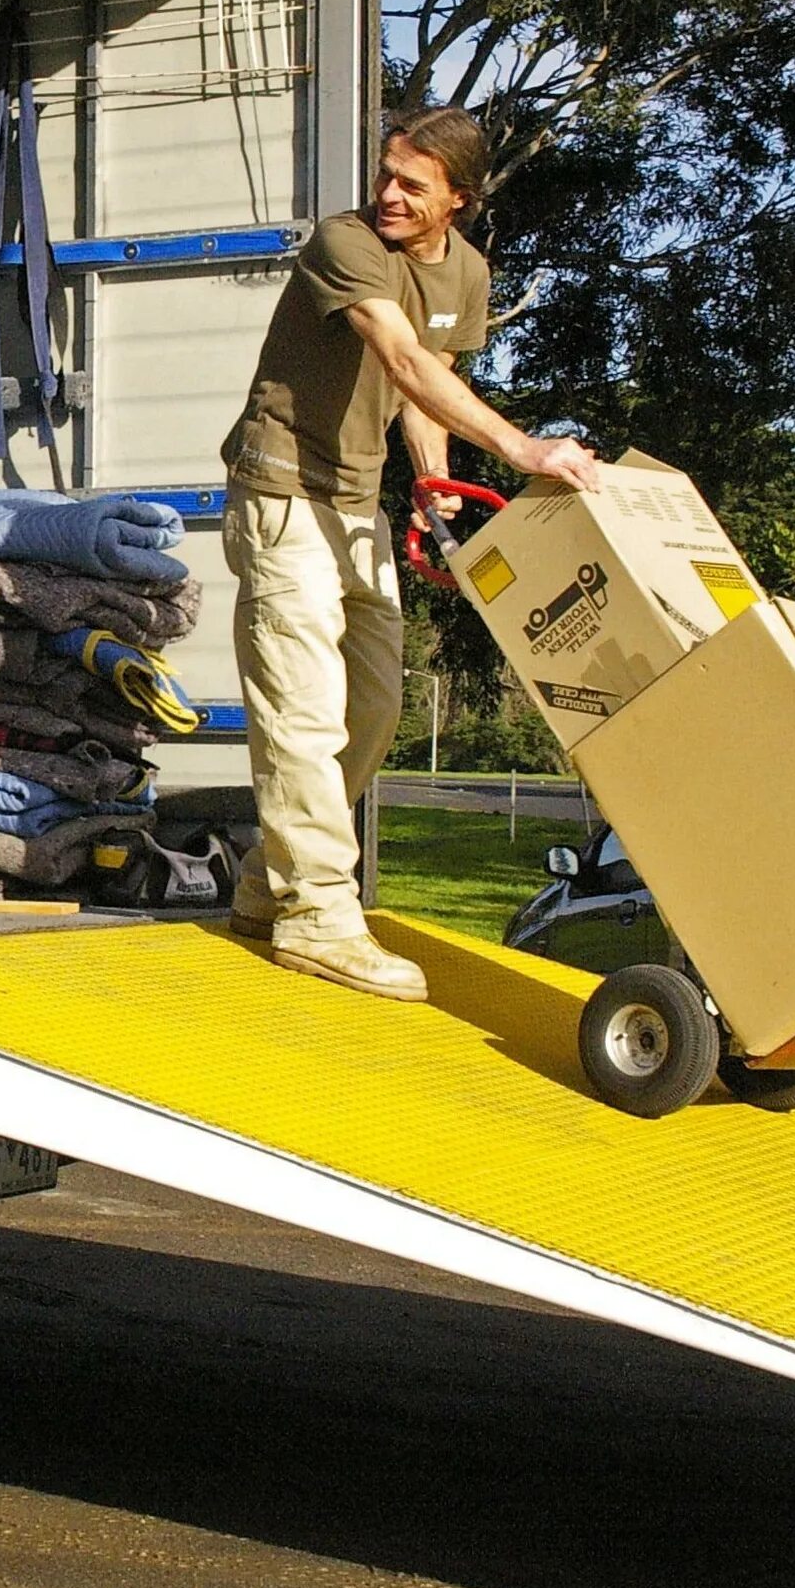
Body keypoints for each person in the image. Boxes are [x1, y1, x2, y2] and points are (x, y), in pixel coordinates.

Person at [221, 107, 599, 1002]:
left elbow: (431, 383)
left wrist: (432, 479)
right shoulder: (346, 244)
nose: (388, 193)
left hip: (358, 505)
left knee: (375, 710)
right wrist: (524, 449)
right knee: (302, 711)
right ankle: (316, 916)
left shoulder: (466, 273)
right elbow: (400, 354)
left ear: (458, 202)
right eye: (387, 172)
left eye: (412, 185)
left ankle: (263, 887)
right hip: (281, 490)